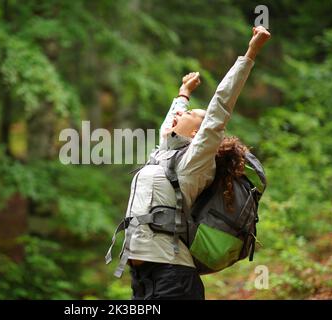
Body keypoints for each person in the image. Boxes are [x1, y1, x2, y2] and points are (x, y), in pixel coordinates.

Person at [116, 26, 271, 300]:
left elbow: (220, 107)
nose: (181, 114)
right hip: (144, 277)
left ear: (199, 133)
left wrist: (250, 53)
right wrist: (183, 93)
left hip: (173, 278)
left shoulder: (194, 162)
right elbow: (169, 127)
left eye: (189, 114)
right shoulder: (165, 155)